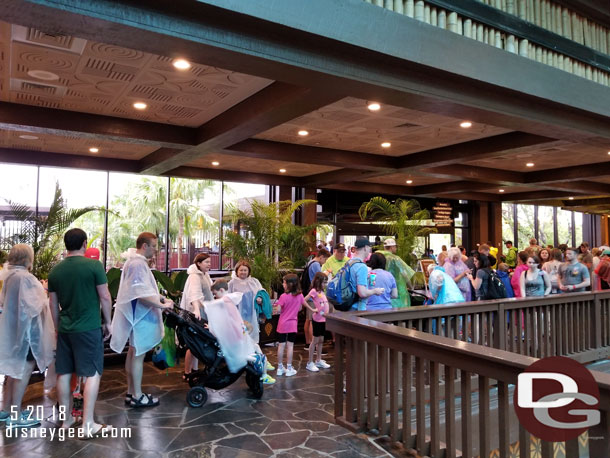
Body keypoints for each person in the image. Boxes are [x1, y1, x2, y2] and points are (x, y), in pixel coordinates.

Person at [48, 229, 112, 435]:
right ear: (84, 243)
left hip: (66, 328)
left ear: (66, 245)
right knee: (93, 373)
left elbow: (53, 303)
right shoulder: (94, 266)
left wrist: (57, 327)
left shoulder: (55, 270)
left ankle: (66, 420)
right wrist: (109, 322)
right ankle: (87, 424)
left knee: (64, 373)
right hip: (88, 328)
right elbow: (105, 297)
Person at [110, 232, 173, 408]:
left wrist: (160, 298)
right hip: (140, 316)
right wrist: (162, 305)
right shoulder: (137, 264)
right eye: (154, 246)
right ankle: (137, 395)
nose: (156, 250)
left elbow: (144, 290)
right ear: (144, 246)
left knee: (133, 353)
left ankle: (132, 392)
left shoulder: (134, 262)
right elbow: (141, 294)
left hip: (136, 315)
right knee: (137, 355)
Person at [0, 244, 54, 428]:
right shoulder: (26, 278)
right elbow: (34, 306)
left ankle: (6, 409)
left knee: (12, 370)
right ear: (28, 258)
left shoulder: (9, 276)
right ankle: (15, 415)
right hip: (27, 333)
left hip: (12, 330)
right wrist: (45, 291)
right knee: (24, 369)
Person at [208, 280, 274, 384]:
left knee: (250, 351)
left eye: (215, 294)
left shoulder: (224, 303)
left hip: (233, 337)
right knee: (254, 351)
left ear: (221, 290)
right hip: (236, 336)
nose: (215, 296)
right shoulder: (229, 301)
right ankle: (263, 372)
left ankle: (262, 371)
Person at [179, 253, 213, 379]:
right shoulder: (194, 276)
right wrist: (197, 310)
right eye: (206, 262)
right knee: (193, 344)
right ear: (198, 263)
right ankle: (187, 372)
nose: (209, 264)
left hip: (202, 311)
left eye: (209, 262)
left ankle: (194, 369)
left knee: (198, 342)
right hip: (194, 314)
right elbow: (194, 294)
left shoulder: (204, 274)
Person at [275, 274, 308, 377]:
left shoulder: (283, 296)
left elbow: (278, 310)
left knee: (281, 345)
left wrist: (277, 307)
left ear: (290, 284)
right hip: (292, 324)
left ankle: (280, 368)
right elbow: (300, 308)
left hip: (282, 324)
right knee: (290, 346)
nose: (283, 284)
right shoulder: (300, 296)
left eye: (284, 282)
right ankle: (289, 368)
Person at [302, 249, 330, 351]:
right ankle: (313, 345)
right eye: (325, 259)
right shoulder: (316, 265)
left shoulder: (310, 262)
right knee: (312, 320)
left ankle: (308, 343)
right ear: (321, 256)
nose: (324, 262)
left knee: (308, 320)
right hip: (313, 299)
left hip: (309, 294)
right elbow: (320, 277)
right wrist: (327, 273)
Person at [303, 272, 331, 372]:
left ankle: (318, 359)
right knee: (315, 340)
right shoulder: (313, 291)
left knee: (321, 340)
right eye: (324, 282)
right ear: (319, 281)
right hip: (317, 319)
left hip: (323, 319)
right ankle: (310, 362)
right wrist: (312, 309)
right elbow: (303, 300)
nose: (325, 284)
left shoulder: (322, 292)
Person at [350, 238, 384, 311]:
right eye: (369, 248)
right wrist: (375, 291)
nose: (369, 250)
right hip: (356, 308)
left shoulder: (349, 262)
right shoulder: (362, 267)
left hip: (347, 306)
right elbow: (362, 293)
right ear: (365, 247)